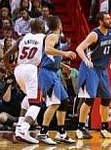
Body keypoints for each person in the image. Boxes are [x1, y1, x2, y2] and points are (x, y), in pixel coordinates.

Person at [76, 12, 111, 139]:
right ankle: (80, 128)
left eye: (110, 18)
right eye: (107, 19)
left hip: (102, 69)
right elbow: (79, 48)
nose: (110, 20)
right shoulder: (94, 34)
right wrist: (86, 60)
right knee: (90, 99)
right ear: (101, 22)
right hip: (90, 68)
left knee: (106, 98)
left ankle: (105, 128)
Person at [2, 19, 45, 144]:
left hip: (19, 70)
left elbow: (7, 54)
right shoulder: (43, 37)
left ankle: (19, 126)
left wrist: (8, 69)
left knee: (28, 98)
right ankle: (24, 129)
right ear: (41, 27)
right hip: (32, 70)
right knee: (37, 102)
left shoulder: (22, 38)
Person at [37, 16, 77, 145]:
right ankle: (43, 133)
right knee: (54, 103)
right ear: (59, 24)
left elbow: (48, 56)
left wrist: (61, 65)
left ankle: (61, 133)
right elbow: (48, 50)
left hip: (52, 71)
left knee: (64, 101)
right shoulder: (53, 35)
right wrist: (64, 53)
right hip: (47, 73)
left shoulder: (55, 37)